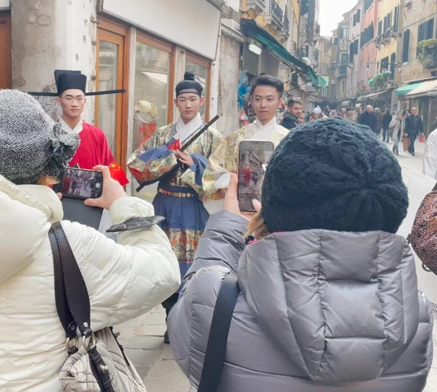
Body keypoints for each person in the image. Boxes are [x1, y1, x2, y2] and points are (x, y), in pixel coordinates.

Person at [0, 90, 180, 391]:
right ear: (45, 169)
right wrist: (124, 206)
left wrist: (34, 204)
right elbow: (162, 274)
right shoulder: (66, 245)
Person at [168, 118, 433, 392]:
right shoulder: (417, 316)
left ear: (276, 204)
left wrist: (228, 228)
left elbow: (183, 324)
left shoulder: (216, 302)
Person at [128, 72, 222, 343]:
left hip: (193, 207)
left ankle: (187, 323)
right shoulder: (163, 133)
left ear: (201, 101)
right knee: (162, 265)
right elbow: (137, 165)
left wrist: (195, 166)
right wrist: (165, 159)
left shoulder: (213, 137)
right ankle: (170, 317)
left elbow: (221, 179)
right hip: (165, 204)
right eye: (183, 99)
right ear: (175, 102)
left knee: (192, 267)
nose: (188, 105)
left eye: (193, 99)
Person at [209, 75, 290, 175]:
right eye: (258, 99)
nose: (263, 104)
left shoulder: (288, 139)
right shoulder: (236, 136)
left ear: (280, 102)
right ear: (251, 100)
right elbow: (214, 166)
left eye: (269, 99)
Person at [53, 70, 115, 168]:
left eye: (79, 98)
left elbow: (111, 168)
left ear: (84, 101)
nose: (74, 104)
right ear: (59, 101)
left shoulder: (97, 135)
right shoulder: (49, 135)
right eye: (69, 98)